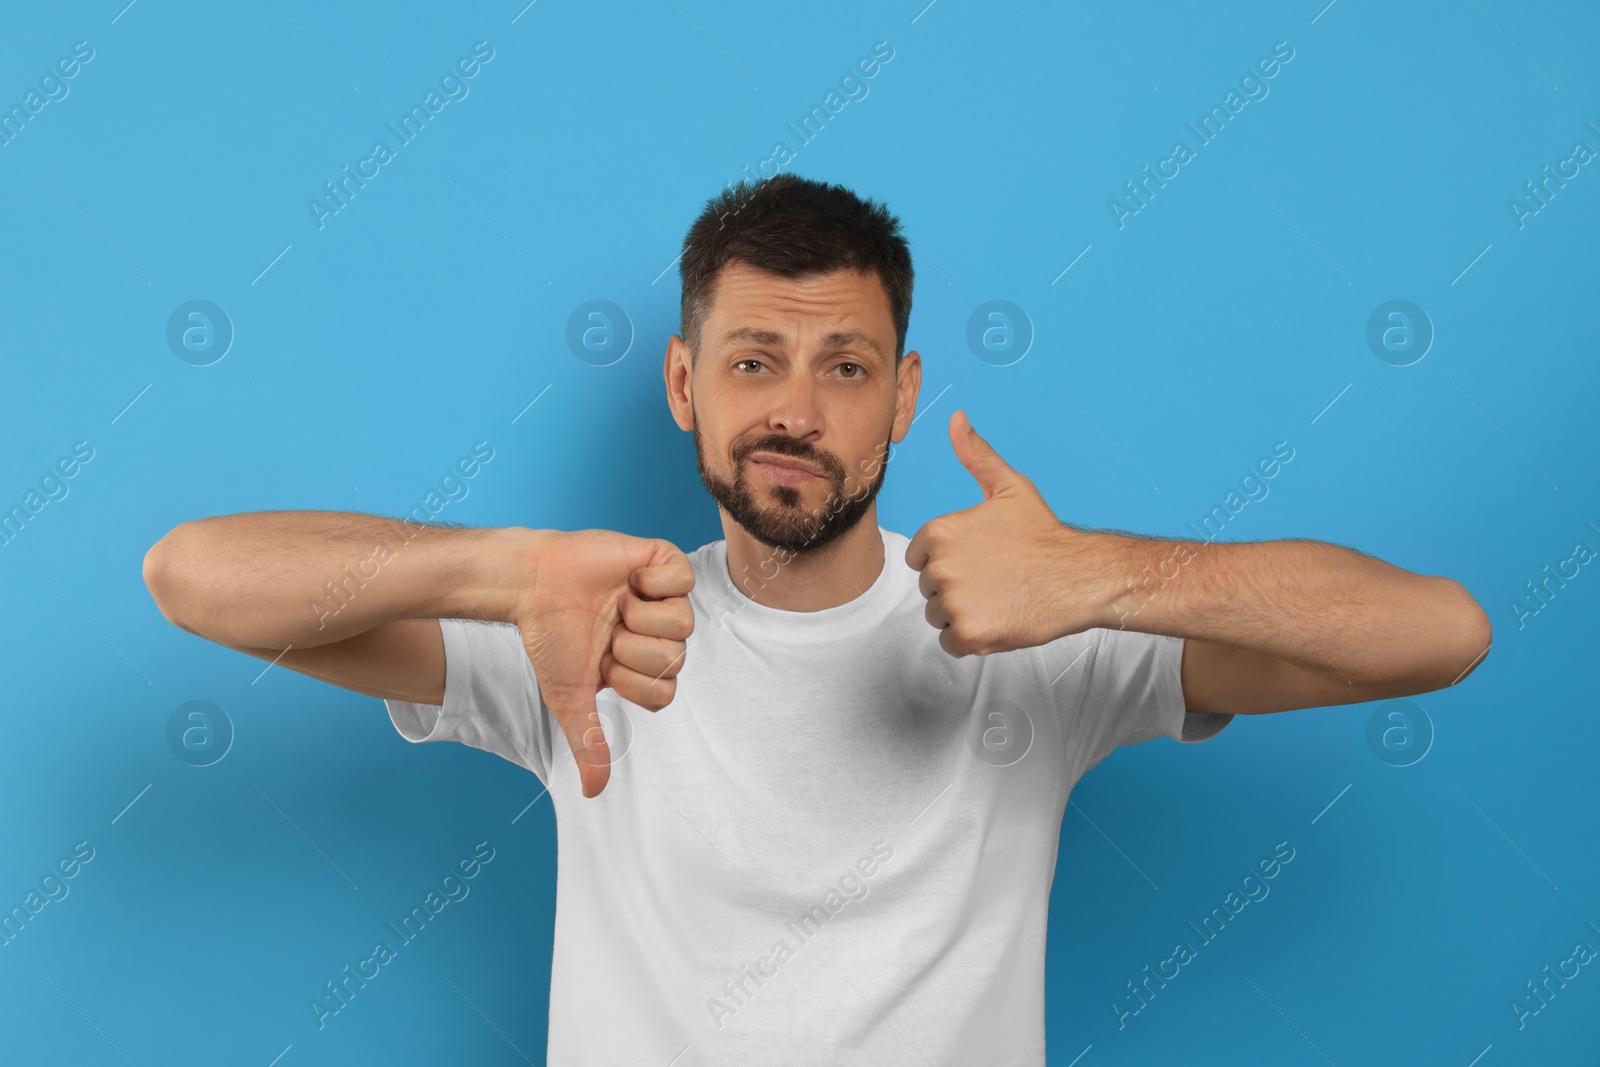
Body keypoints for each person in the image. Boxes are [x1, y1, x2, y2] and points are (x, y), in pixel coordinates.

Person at [141, 173, 1491, 1065]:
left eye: (843, 366)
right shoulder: (583, 626)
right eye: (752, 361)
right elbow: (194, 576)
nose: (795, 409)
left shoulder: (1040, 633)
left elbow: (1438, 633)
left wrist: (1105, 575)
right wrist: (501, 567)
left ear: (903, 399)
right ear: (684, 385)